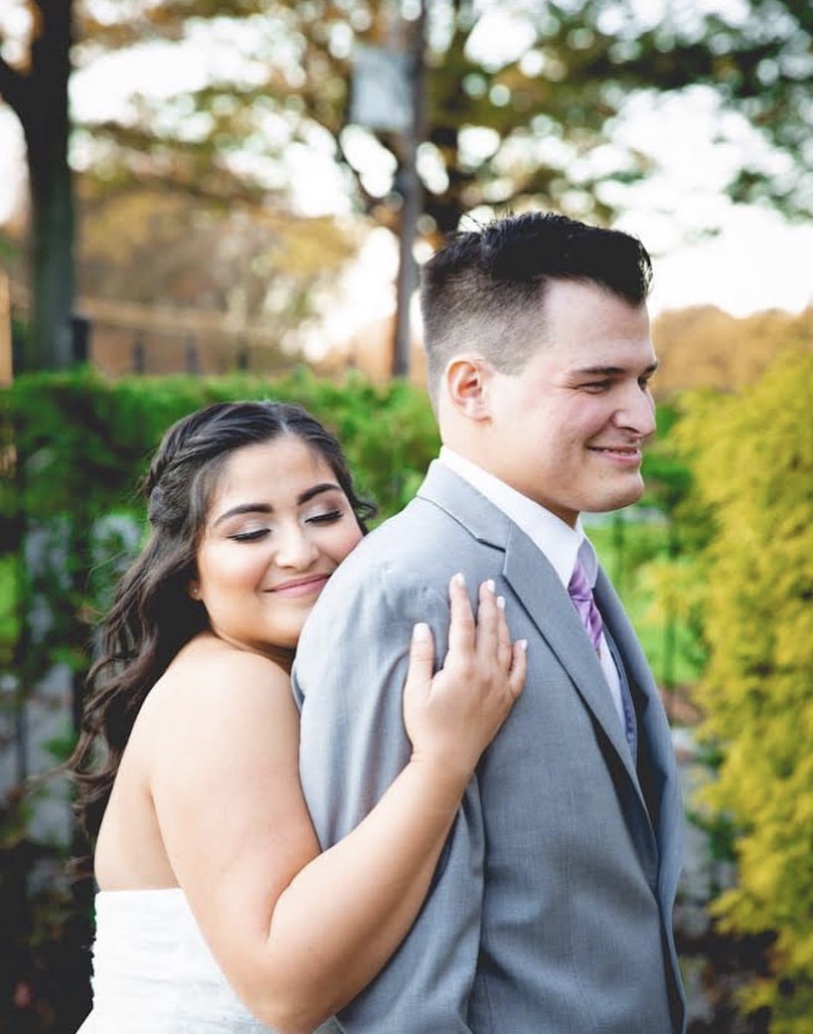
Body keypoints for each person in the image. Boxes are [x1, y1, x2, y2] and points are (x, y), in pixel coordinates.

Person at [292, 210, 687, 1032]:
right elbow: (394, 992)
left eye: (642, 380)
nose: (642, 418)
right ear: (471, 388)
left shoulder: (565, 559)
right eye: (597, 384)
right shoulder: (405, 591)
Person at [67, 399, 527, 1034]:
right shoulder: (225, 688)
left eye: (323, 514)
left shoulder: (292, 678)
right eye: (250, 532)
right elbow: (285, 992)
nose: (299, 551)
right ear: (190, 571)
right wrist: (443, 761)